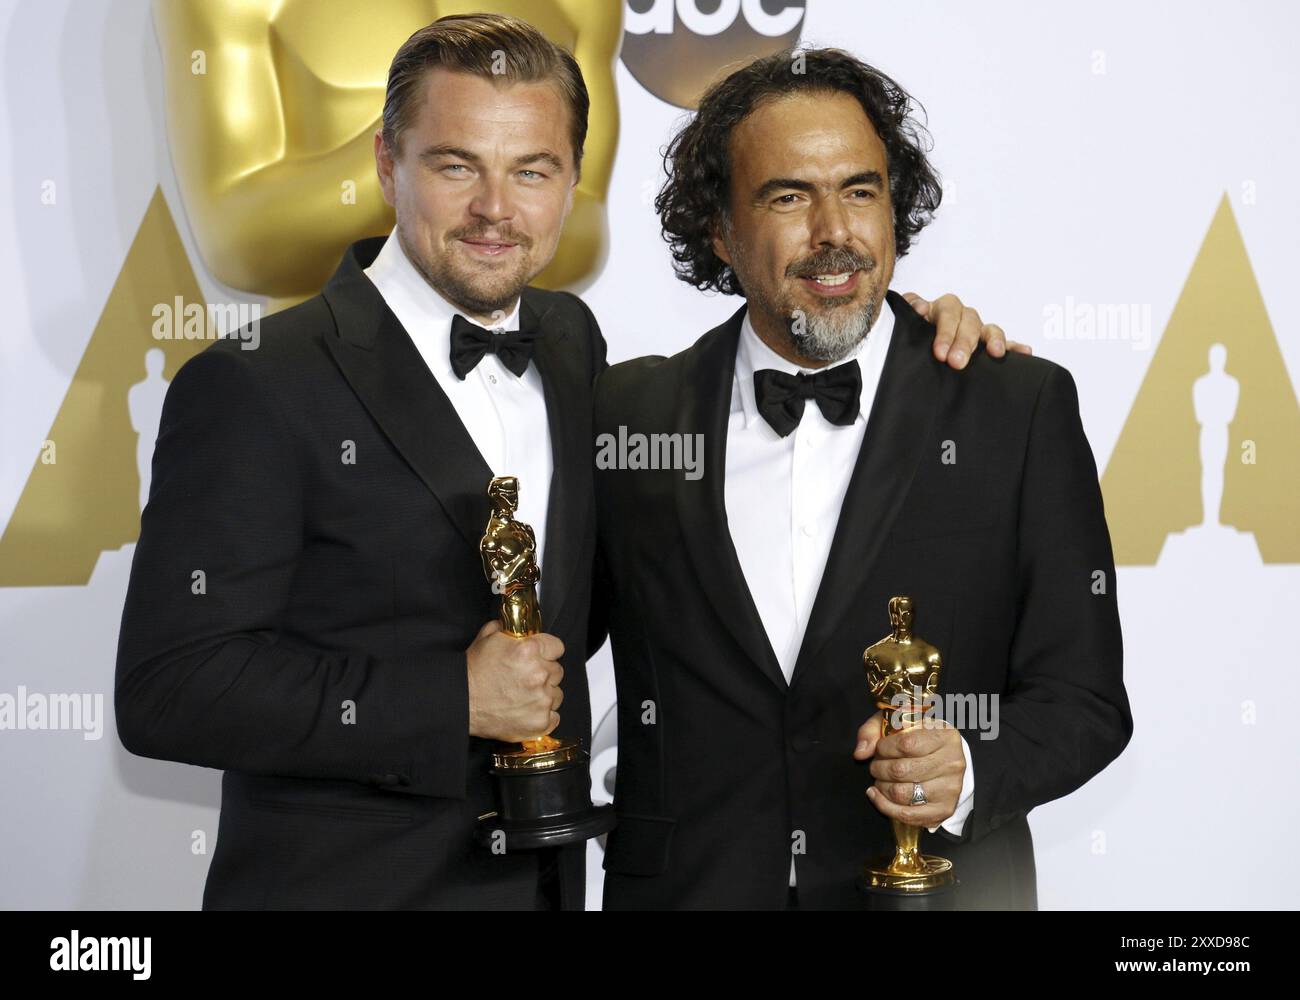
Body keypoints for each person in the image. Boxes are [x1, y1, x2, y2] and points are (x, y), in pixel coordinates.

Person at [117, 13, 1014, 911]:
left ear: (572, 183)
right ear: (389, 165)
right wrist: (450, 699)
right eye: (456, 164)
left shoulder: (570, 345)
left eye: (532, 171)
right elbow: (167, 689)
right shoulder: (255, 385)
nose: (496, 211)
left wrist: (891, 330)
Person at [593, 48, 1133, 910]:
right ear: (720, 230)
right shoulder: (627, 413)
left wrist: (969, 765)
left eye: (860, 190)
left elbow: (1086, 700)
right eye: (787, 196)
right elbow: (540, 638)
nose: (832, 231)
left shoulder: (1013, 408)